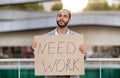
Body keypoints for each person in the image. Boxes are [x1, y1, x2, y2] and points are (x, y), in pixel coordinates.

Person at [32, 9, 86, 78]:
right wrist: (35, 48)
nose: (61, 18)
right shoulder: (46, 38)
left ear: (69, 20)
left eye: (65, 16)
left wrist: (84, 52)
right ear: (56, 18)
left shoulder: (76, 38)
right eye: (59, 16)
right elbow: (39, 57)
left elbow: (84, 58)